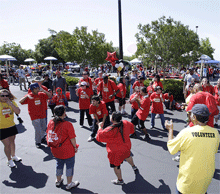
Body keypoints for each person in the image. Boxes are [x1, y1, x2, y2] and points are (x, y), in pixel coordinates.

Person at [165, 104, 219, 194]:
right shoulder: (215, 133)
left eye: (190, 114)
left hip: (188, 181)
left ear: (194, 117)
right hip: (205, 181)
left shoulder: (187, 132)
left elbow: (171, 148)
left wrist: (170, 130)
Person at [96, 111, 138, 185]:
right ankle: (133, 166)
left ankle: (120, 180)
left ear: (112, 119)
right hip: (126, 147)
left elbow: (99, 137)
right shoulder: (126, 123)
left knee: (116, 166)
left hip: (115, 151)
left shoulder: (109, 129)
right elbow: (132, 130)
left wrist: (100, 127)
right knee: (128, 156)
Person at [46, 105, 80, 190]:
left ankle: (58, 180)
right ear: (64, 113)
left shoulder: (51, 122)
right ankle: (69, 183)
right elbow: (72, 138)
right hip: (67, 150)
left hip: (55, 149)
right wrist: (75, 147)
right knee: (69, 166)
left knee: (59, 164)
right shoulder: (68, 124)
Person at [19, 83, 51, 148]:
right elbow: (20, 101)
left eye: (37, 88)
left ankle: (42, 138)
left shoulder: (41, 94)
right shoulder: (29, 95)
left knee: (43, 128)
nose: (37, 90)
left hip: (42, 114)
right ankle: (38, 142)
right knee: (38, 129)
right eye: (35, 89)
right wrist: (26, 96)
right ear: (32, 90)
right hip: (34, 116)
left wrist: (44, 91)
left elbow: (50, 96)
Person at [0, 89, 22, 168]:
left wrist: (10, 104)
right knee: (7, 144)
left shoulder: (11, 102)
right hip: (1, 128)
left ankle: (13, 156)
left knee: (12, 142)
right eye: (2, 96)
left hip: (11, 126)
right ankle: (9, 160)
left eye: (6, 95)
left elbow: (18, 112)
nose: (5, 97)